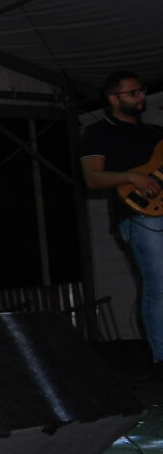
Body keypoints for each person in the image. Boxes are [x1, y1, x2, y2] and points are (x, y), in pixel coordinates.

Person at [79, 71, 163, 368]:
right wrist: (131, 176)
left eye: (143, 91)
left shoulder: (155, 133)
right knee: (158, 285)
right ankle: (161, 357)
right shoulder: (98, 132)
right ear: (113, 98)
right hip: (140, 215)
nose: (141, 97)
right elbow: (92, 178)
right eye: (134, 92)